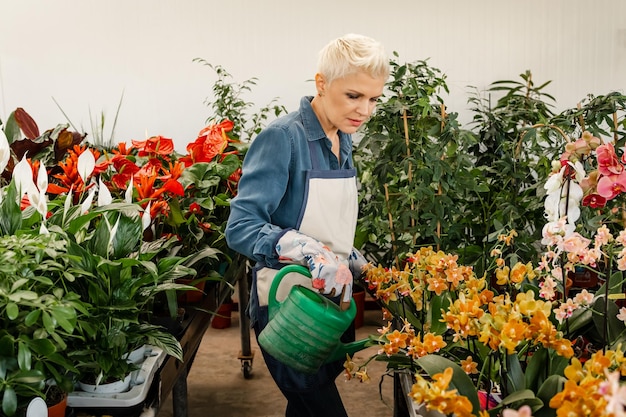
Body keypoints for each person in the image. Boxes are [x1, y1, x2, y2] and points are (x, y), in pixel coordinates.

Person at [225, 33, 389, 417]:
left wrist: (363, 267)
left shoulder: (341, 138)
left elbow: (331, 228)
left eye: (373, 99)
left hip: (332, 305)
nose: (365, 110)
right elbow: (241, 226)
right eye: (354, 96)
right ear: (321, 84)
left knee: (305, 409)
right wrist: (306, 249)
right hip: (288, 308)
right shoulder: (284, 138)